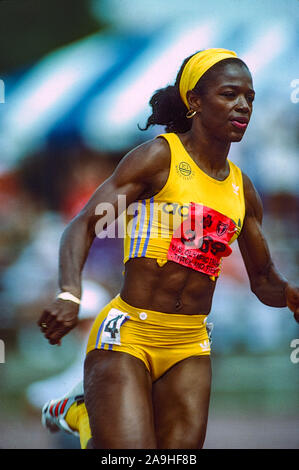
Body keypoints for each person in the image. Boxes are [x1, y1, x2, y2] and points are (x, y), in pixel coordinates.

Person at [38, 48, 299, 450]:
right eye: (229, 94)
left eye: (250, 96)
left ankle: (88, 413)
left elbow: (263, 280)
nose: (243, 105)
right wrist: (70, 292)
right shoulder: (159, 157)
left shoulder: (242, 190)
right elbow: (82, 224)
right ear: (195, 100)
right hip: (129, 334)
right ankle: (85, 412)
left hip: (190, 343)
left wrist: (289, 294)